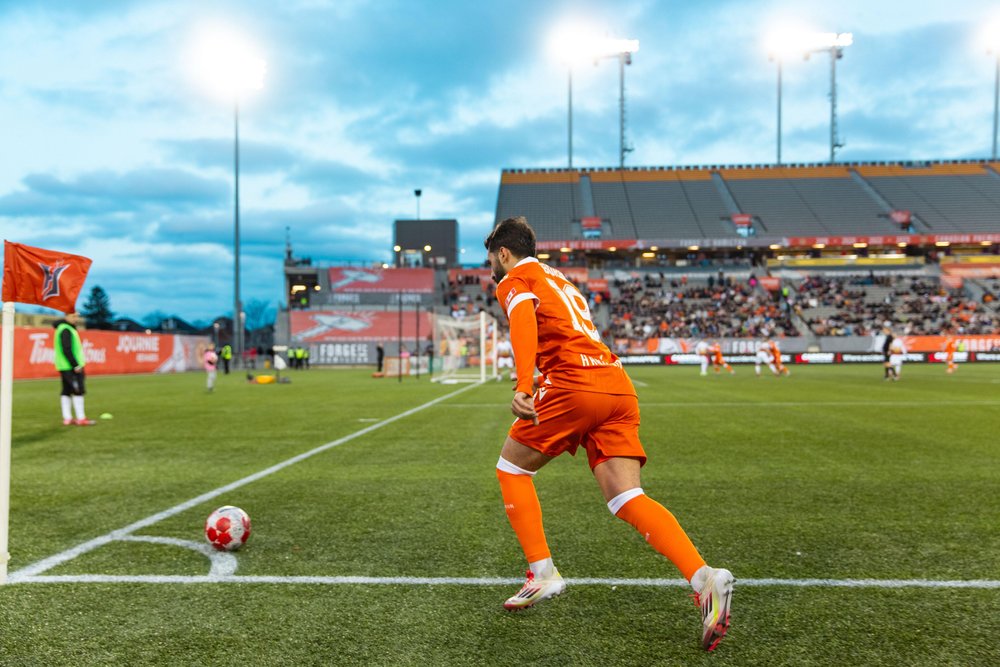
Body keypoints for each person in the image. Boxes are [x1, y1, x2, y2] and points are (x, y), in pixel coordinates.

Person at [485, 217, 733, 652]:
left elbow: (523, 319)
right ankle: (704, 577)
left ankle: (543, 573)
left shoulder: (516, 277)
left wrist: (525, 384)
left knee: (511, 469)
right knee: (625, 497)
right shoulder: (560, 279)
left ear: (503, 253)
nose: (493, 269)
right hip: (618, 387)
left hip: (573, 385)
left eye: (492, 260)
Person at [53, 312, 95, 426]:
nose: (76, 318)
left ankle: (67, 418)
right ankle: (80, 418)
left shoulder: (63, 328)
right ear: (66, 316)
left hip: (64, 366)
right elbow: (67, 349)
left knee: (66, 391)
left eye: (77, 316)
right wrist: (75, 364)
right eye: (73, 316)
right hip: (70, 366)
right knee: (77, 390)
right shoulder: (66, 329)